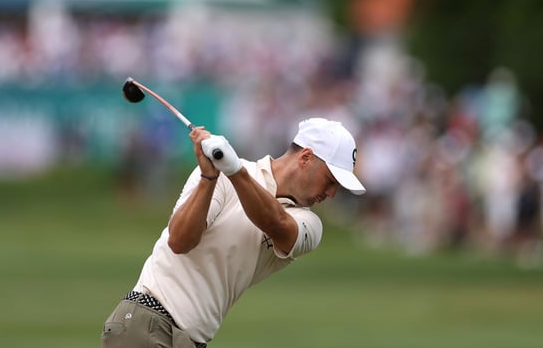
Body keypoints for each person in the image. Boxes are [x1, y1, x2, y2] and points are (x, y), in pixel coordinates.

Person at [101, 117, 366, 348]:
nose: (331, 194)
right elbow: (180, 241)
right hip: (146, 322)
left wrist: (233, 171)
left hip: (190, 340)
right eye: (330, 181)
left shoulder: (309, 224)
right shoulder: (221, 172)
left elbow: (275, 223)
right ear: (306, 157)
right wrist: (209, 178)